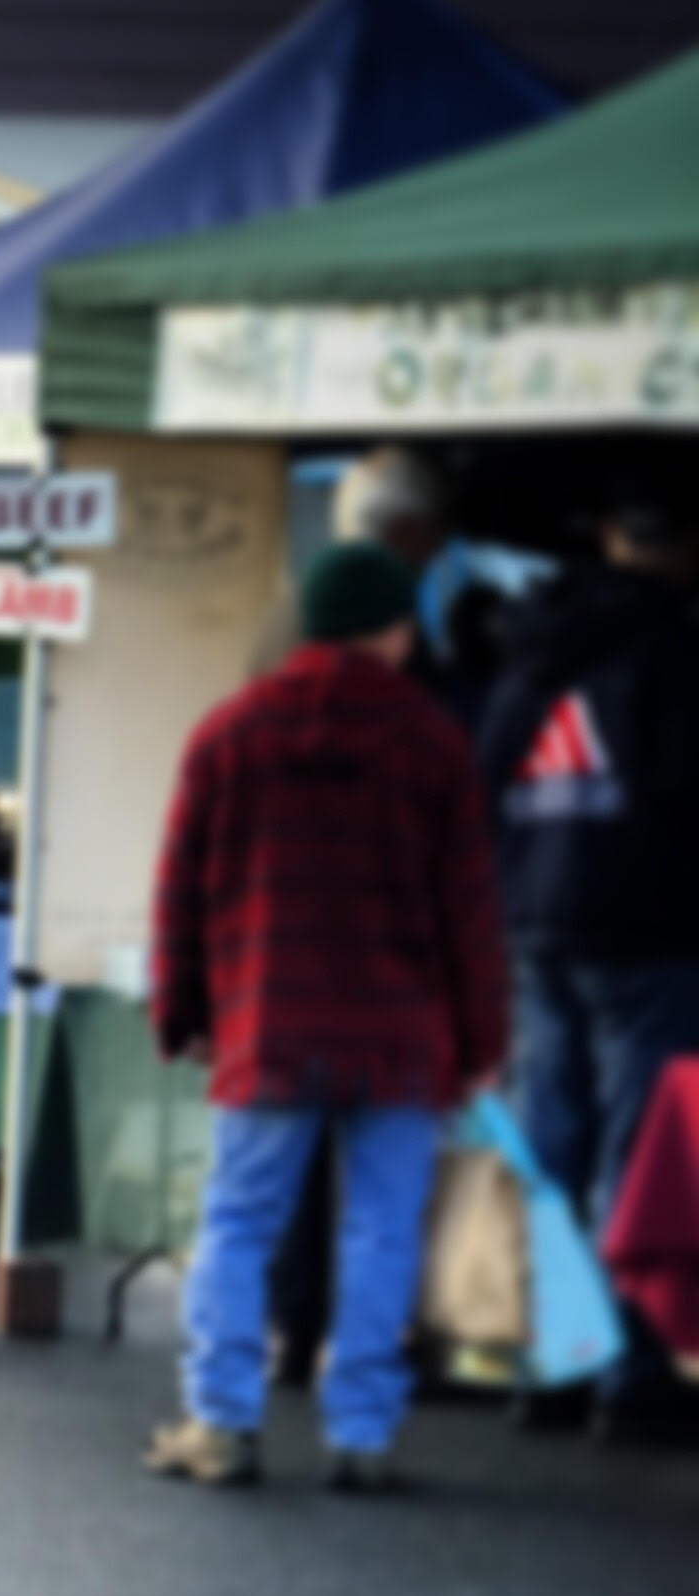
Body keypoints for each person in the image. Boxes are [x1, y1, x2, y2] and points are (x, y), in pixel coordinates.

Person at [142, 541, 508, 1493]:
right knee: (383, 1229)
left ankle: (220, 1421)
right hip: (400, 1036)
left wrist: (178, 1011)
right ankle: (362, 1434)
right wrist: (484, 1044)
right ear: (391, 631)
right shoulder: (432, 744)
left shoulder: (229, 734)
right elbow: (470, 910)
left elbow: (179, 892)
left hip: (268, 1028)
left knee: (237, 1224)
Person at [475, 491, 699, 1439]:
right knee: (639, 1152)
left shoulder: (530, 648)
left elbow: (480, 781)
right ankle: (631, 1378)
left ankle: (553, 1364)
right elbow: (686, 791)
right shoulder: (674, 645)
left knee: (550, 1147)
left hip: (533, 918)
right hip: (644, 926)